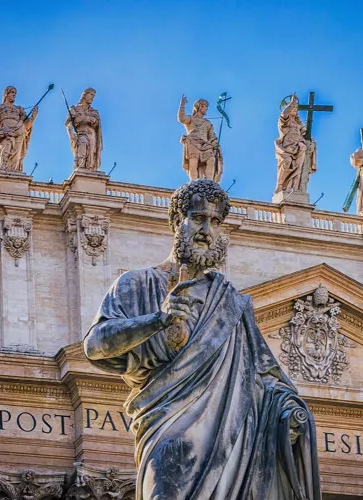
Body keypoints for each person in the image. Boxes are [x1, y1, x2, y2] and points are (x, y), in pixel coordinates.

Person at [83, 179, 320, 500]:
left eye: (216, 221)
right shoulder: (139, 284)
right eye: (197, 218)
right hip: (167, 430)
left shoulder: (232, 303)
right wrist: (157, 320)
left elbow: (264, 378)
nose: (207, 230)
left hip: (230, 443)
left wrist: (287, 409)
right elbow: (94, 346)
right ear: (176, 222)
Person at [0, 86, 38, 173]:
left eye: (15, 93)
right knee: (6, 149)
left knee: (17, 155)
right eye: (12, 92)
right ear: (6, 94)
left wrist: (33, 117)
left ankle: (14, 172)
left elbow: (26, 125)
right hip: (5, 132)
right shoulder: (1, 107)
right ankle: (4, 170)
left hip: (19, 132)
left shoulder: (19, 109)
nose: (14, 95)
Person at [275, 93, 317, 195]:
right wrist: (292, 103)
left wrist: (312, 142)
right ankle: (280, 186)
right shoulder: (284, 122)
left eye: (295, 109)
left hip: (299, 148)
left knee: (299, 167)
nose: (294, 110)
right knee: (287, 162)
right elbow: (284, 114)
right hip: (287, 148)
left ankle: (295, 188)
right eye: (292, 108)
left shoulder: (299, 124)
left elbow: (306, 134)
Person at [178, 96, 223, 181]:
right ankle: (194, 182)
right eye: (205, 107)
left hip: (206, 144)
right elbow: (181, 119)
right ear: (200, 106)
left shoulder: (207, 123)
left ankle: (209, 182)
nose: (206, 109)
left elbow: (212, 136)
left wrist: (214, 143)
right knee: (193, 163)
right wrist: (182, 105)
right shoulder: (191, 119)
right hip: (192, 142)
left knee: (211, 159)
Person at [65, 87, 103, 171]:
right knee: (83, 144)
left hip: (92, 135)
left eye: (93, 96)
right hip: (81, 133)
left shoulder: (93, 111)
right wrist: (77, 121)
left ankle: (90, 169)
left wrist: (88, 119)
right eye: (91, 95)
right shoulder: (74, 109)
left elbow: (96, 122)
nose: (92, 98)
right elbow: (69, 123)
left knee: (91, 154)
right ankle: (80, 166)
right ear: (84, 95)